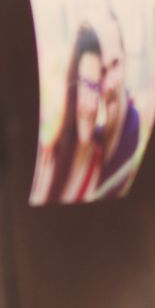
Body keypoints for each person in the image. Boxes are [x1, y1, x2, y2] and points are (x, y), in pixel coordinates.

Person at [31, 25, 104, 204]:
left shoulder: (98, 165)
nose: (91, 105)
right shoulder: (46, 157)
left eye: (96, 87)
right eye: (86, 85)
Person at [92, 9, 143, 196]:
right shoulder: (90, 140)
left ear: (126, 60)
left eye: (115, 64)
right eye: (100, 71)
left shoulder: (136, 133)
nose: (109, 85)